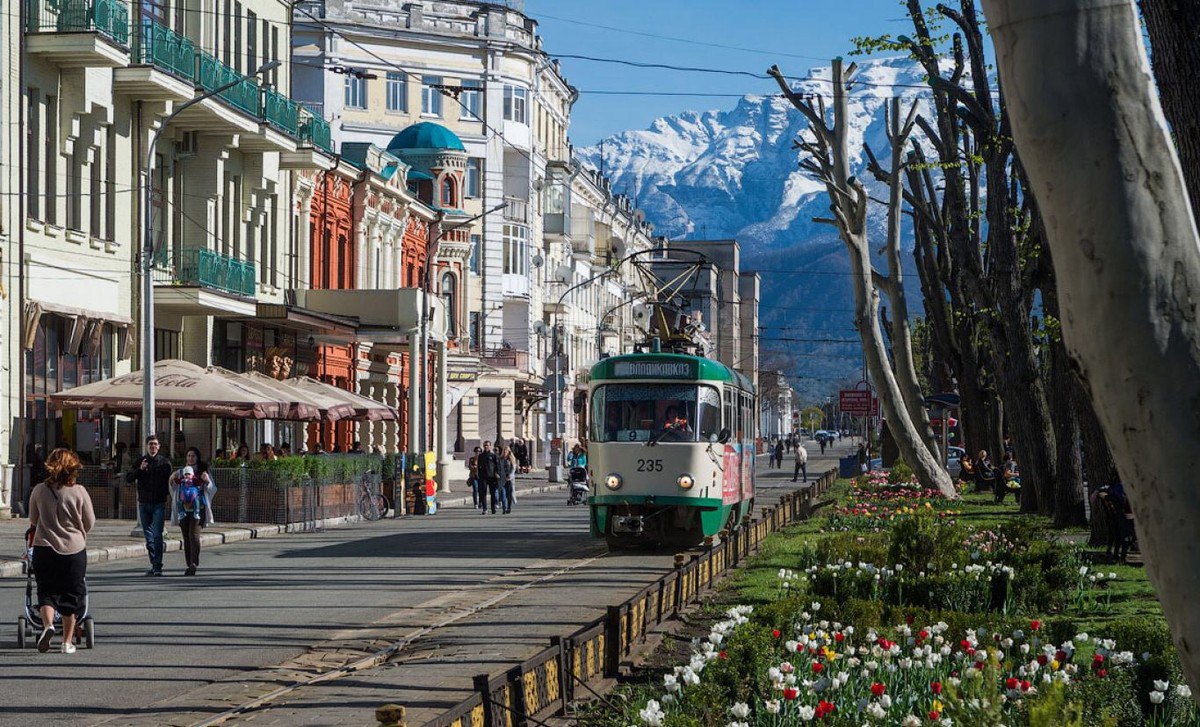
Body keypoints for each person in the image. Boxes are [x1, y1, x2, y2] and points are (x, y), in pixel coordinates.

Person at [28, 448, 94, 654]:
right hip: (73, 549)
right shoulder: (80, 491)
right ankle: (67, 642)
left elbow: (33, 519)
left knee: (46, 591)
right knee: (70, 595)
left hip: (44, 547)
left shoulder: (39, 490)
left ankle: (47, 626)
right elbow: (89, 521)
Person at [126, 435, 172, 576]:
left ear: (159, 447)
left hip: (158, 503)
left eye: (155, 444)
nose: (153, 447)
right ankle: (154, 563)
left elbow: (170, 482)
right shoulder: (140, 461)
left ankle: (158, 566)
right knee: (148, 536)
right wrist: (140, 469)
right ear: (146, 446)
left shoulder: (165, 463)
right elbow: (128, 478)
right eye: (150, 444)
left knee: (157, 535)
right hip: (144, 504)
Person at [171, 448, 215, 576]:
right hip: (183, 509)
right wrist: (171, 479)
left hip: (198, 508)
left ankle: (194, 563)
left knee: (193, 535)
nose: (191, 458)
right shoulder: (180, 472)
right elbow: (173, 487)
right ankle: (188, 563)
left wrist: (207, 481)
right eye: (189, 456)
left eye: (193, 456)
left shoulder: (202, 472)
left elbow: (212, 488)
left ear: (197, 457)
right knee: (186, 536)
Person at [477, 441, 501, 515]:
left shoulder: (493, 456)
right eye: (484, 445)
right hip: (483, 477)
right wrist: (479, 475)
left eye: (487, 445)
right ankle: (485, 509)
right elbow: (478, 466)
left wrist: (497, 474)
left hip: (492, 477)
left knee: (493, 494)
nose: (486, 447)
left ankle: (493, 508)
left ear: (490, 446)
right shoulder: (481, 456)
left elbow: (497, 466)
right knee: (483, 493)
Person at [498, 444, 517, 514]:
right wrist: (498, 475)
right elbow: (499, 468)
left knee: (509, 494)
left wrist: (509, 476)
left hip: (509, 479)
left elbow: (513, 468)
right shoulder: (501, 459)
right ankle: (504, 507)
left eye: (507, 450)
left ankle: (509, 507)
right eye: (504, 450)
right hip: (502, 478)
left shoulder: (511, 458)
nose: (505, 452)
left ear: (509, 451)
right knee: (503, 493)